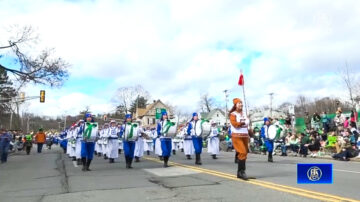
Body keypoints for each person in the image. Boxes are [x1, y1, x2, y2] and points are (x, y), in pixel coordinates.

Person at [229, 98, 252, 180]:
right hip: (237, 136)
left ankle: (240, 172)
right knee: (242, 152)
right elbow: (234, 124)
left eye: (241, 103)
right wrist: (242, 123)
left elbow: (248, 125)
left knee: (245, 153)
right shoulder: (233, 114)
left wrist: (250, 132)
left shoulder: (245, 114)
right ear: (235, 105)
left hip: (245, 136)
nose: (241, 104)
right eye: (239, 103)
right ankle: (242, 172)